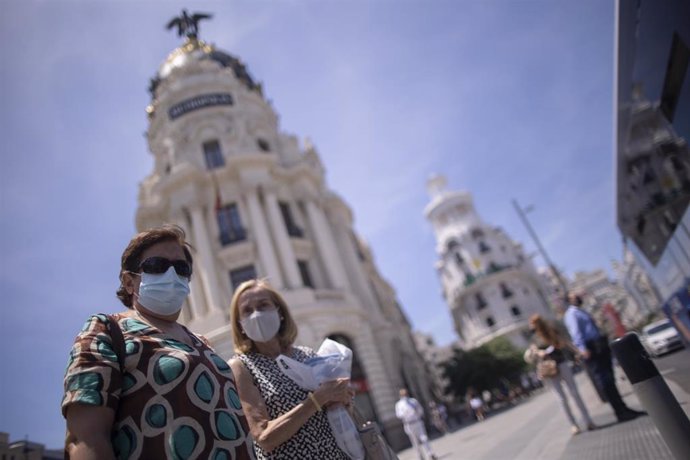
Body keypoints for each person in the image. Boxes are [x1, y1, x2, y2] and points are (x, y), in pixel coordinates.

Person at [62, 225, 254, 459]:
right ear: (129, 281)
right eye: (157, 266)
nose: (172, 275)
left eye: (181, 268)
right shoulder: (107, 330)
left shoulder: (203, 343)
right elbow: (86, 438)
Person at [228, 279, 353, 459]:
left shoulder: (307, 355)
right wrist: (319, 398)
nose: (256, 314)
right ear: (240, 325)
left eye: (263, 305)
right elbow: (264, 438)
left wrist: (344, 399)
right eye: (247, 311)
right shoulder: (241, 367)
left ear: (280, 313)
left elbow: (337, 414)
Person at [563, 293, 646, 422]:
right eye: (574, 296)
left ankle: (623, 408)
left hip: (598, 345)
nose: (579, 296)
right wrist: (583, 349)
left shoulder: (579, 311)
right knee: (605, 380)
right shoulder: (572, 314)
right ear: (569, 300)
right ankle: (620, 412)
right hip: (591, 348)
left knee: (609, 378)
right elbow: (576, 333)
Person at [526, 314, 596, 435]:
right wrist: (539, 352)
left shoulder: (551, 331)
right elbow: (534, 351)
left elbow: (565, 342)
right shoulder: (534, 338)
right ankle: (573, 424)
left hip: (562, 363)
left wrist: (578, 351)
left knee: (574, 393)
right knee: (562, 398)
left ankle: (588, 420)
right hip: (549, 368)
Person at [395, 388, 438, 460]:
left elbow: (420, 410)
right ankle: (420, 456)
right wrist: (405, 413)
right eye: (403, 394)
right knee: (415, 442)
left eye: (405, 394)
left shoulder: (413, 401)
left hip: (417, 422)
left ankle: (430, 454)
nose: (404, 396)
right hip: (409, 424)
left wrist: (417, 414)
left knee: (424, 438)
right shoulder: (399, 404)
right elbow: (398, 414)